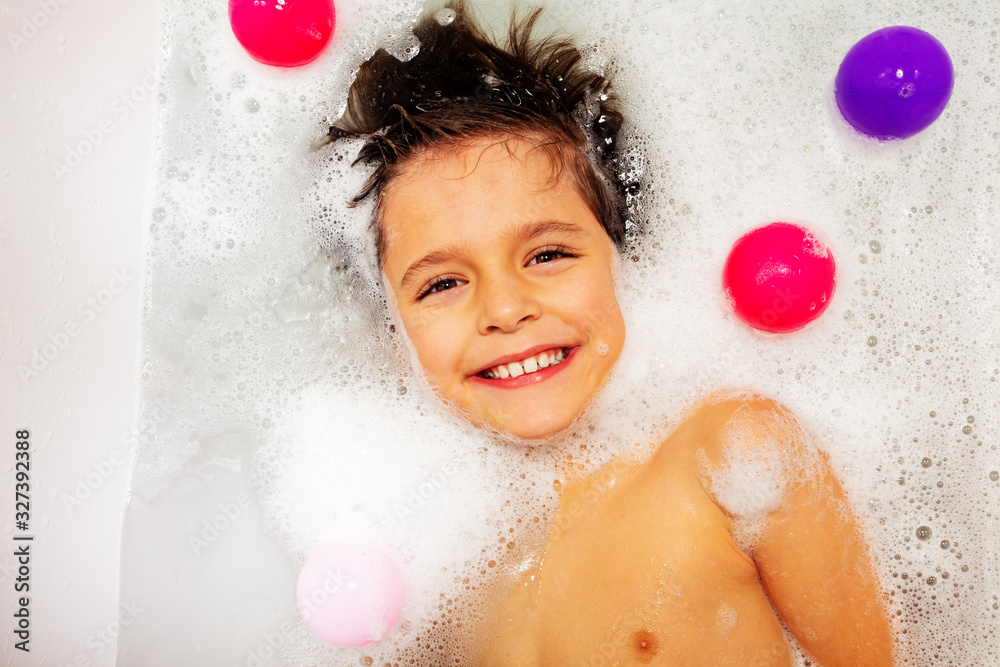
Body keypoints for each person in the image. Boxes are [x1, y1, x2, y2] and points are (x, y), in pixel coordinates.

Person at [323, 1, 894, 663]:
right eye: (442, 284)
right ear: (395, 330)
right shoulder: (432, 583)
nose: (505, 309)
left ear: (624, 263)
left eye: (548, 255)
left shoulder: (729, 457)